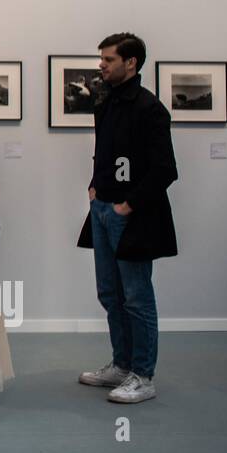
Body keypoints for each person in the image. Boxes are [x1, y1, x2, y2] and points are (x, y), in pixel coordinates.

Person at [77, 33, 178, 404]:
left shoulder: (150, 109)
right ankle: (121, 366)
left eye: (108, 59)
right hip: (103, 209)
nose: (101, 65)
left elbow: (165, 169)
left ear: (131, 63)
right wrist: (94, 188)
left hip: (130, 215)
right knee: (110, 293)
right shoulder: (106, 103)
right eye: (101, 58)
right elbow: (105, 154)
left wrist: (128, 205)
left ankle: (143, 376)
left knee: (136, 297)